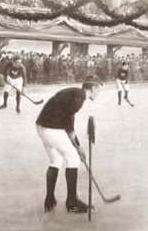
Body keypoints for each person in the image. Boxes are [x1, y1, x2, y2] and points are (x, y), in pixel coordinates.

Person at [36, 76, 102, 214]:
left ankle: (49, 200)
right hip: (52, 128)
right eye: (99, 90)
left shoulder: (75, 94)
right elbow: (69, 125)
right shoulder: (79, 97)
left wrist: (77, 145)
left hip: (42, 126)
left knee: (56, 160)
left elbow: (67, 123)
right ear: (93, 88)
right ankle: (72, 203)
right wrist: (78, 147)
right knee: (73, 159)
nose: (99, 94)